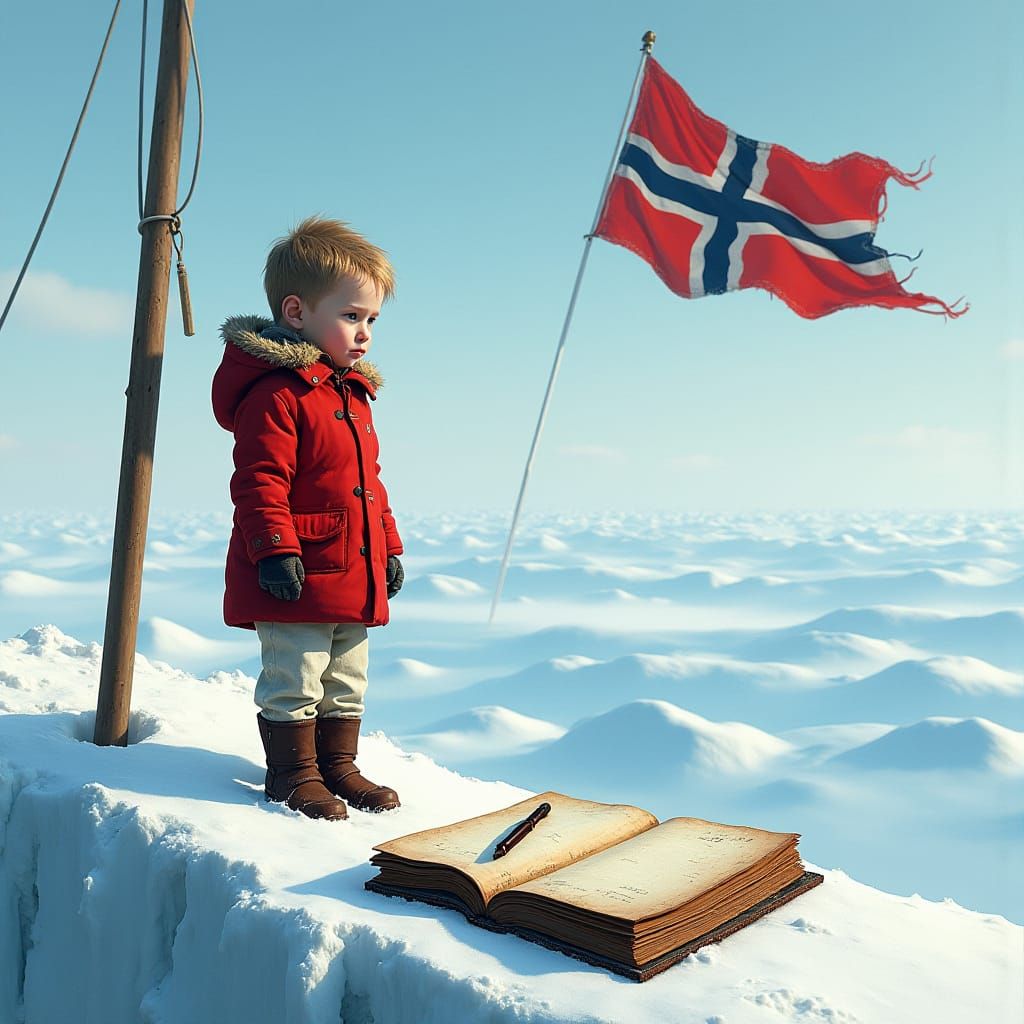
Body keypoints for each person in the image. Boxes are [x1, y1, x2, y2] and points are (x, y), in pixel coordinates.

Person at [211, 215, 406, 821]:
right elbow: (259, 480)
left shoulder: (351, 395)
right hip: (296, 568)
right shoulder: (278, 393)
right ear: (296, 312)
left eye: (372, 319)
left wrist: (388, 545)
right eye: (351, 315)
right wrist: (274, 547)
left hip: (351, 565)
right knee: (295, 674)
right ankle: (292, 773)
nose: (364, 332)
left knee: (346, 673)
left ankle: (337, 765)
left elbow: (369, 483)